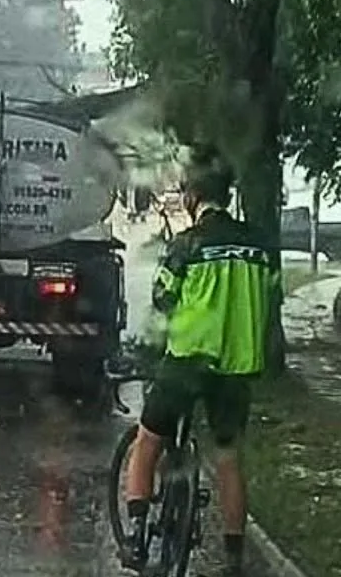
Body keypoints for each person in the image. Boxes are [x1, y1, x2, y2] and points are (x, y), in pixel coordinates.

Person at [121, 161, 277, 577]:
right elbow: (271, 293)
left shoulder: (187, 244)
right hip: (236, 369)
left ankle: (136, 537)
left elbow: (162, 298)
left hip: (188, 362)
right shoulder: (261, 247)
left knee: (148, 440)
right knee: (227, 460)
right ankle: (233, 559)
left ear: (192, 199)